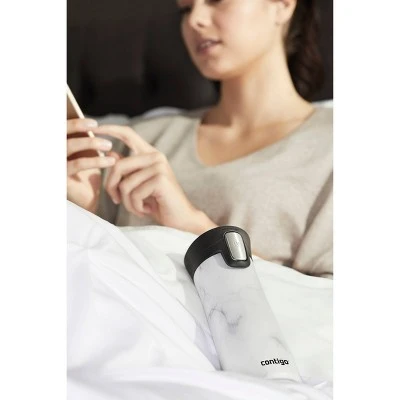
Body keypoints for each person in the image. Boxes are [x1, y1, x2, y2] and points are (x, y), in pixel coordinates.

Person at [67, 0, 332, 278]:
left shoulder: (330, 147)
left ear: (283, 5)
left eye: (215, 0)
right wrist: (83, 211)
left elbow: (323, 299)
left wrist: (193, 227)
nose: (194, 20)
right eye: (185, 9)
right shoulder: (137, 140)